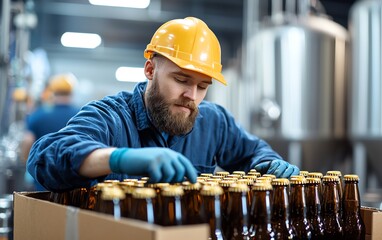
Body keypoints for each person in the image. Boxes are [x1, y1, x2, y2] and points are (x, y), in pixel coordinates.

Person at [27, 17, 299, 192]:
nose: (192, 96)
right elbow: (43, 157)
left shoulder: (214, 122)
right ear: (149, 70)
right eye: (182, 80)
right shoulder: (111, 117)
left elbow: (252, 152)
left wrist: (268, 162)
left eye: (203, 86)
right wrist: (120, 158)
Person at [22, 73, 80, 190]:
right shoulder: (80, 114)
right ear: (72, 92)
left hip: (43, 182)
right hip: (73, 183)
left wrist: (28, 164)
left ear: (52, 91)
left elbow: (27, 141)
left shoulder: (38, 114)